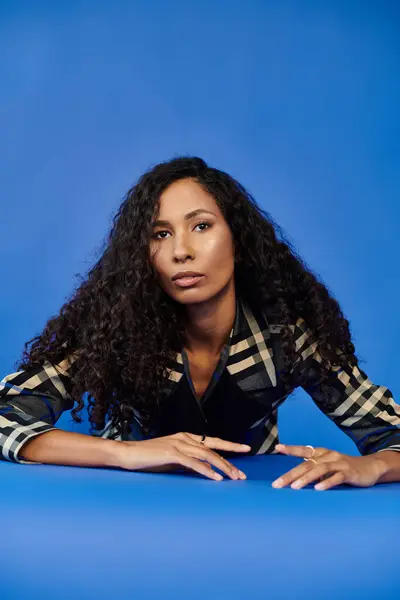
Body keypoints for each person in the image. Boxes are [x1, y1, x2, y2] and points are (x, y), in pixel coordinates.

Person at [1, 156, 400, 490]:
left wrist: (374, 466)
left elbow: (389, 433)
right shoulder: (116, 331)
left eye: (202, 226)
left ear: (237, 241)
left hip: (259, 506)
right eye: (161, 233)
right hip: (129, 505)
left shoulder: (286, 336)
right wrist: (127, 454)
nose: (181, 251)